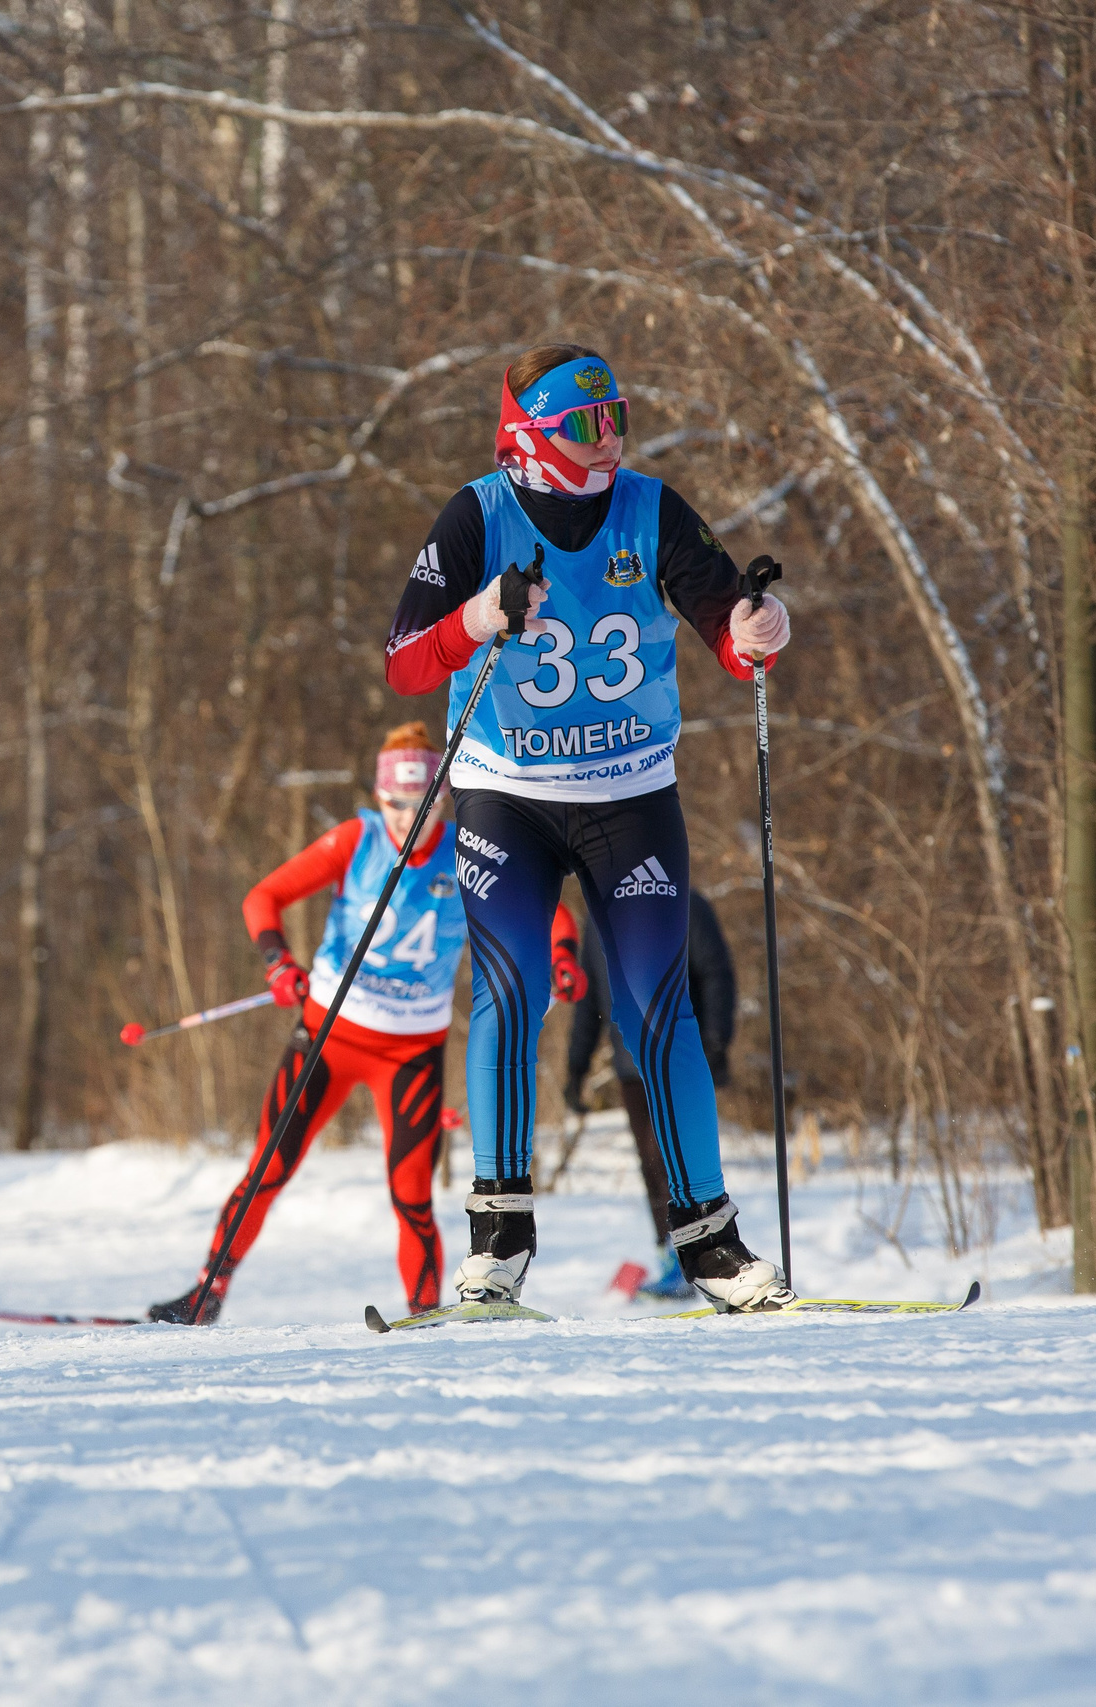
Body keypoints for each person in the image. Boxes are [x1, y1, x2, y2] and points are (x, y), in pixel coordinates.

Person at [385, 342, 796, 1312]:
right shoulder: (477, 514)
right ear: (528, 432)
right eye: (583, 425)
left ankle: (710, 1247)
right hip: (505, 794)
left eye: (616, 417)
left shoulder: (649, 508)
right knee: (510, 989)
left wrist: (751, 633)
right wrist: (480, 615)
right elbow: (406, 662)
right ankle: (496, 1242)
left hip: (628, 795)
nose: (606, 440)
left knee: (658, 1007)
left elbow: (722, 621)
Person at [148, 722, 578, 1324]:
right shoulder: (357, 840)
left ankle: (424, 1312)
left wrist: (561, 958)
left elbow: (550, 913)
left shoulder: (467, 849)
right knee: (267, 1169)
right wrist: (279, 963)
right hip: (328, 1036)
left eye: (422, 803)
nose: (408, 817)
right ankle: (205, 1294)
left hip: (411, 1054)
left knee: (412, 1198)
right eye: (395, 804)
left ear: (443, 798)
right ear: (379, 800)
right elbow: (261, 898)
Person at [556, 895, 735, 1296]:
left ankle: (703, 1248)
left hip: (679, 1057)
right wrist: (576, 1069)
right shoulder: (596, 921)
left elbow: (716, 973)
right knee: (651, 1162)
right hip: (628, 1065)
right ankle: (670, 1254)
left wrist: (718, 1043)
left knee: (678, 1158)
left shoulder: (685, 904)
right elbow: (589, 999)